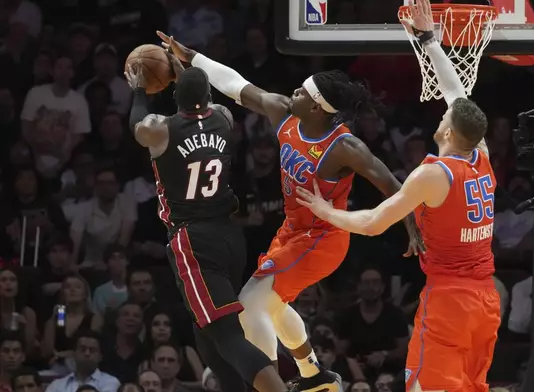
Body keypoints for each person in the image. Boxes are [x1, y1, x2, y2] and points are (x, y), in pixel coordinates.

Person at [157, 31, 423, 392]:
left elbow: (394, 186)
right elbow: (237, 85)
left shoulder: (345, 146)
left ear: (316, 107)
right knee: (274, 305)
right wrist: (194, 58)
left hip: (324, 237)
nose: (292, 92)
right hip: (292, 231)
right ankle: (314, 376)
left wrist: (412, 223)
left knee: (251, 306)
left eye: (301, 91)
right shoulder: (285, 115)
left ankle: (269, 385)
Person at [294, 0, 501, 391]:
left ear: (449, 134)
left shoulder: (433, 174)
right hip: (485, 301)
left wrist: (325, 210)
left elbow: (373, 223)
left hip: (449, 300)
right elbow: (454, 91)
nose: (441, 116)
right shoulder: (482, 156)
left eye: (444, 118)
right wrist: (427, 40)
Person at [124, 54, 293, 392]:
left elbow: (137, 126)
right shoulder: (224, 118)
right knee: (205, 330)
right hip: (230, 236)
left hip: (193, 240)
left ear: (175, 96)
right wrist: (185, 69)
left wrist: (140, 89)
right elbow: (206, 98)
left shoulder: (161, 129)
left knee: (226, 334)